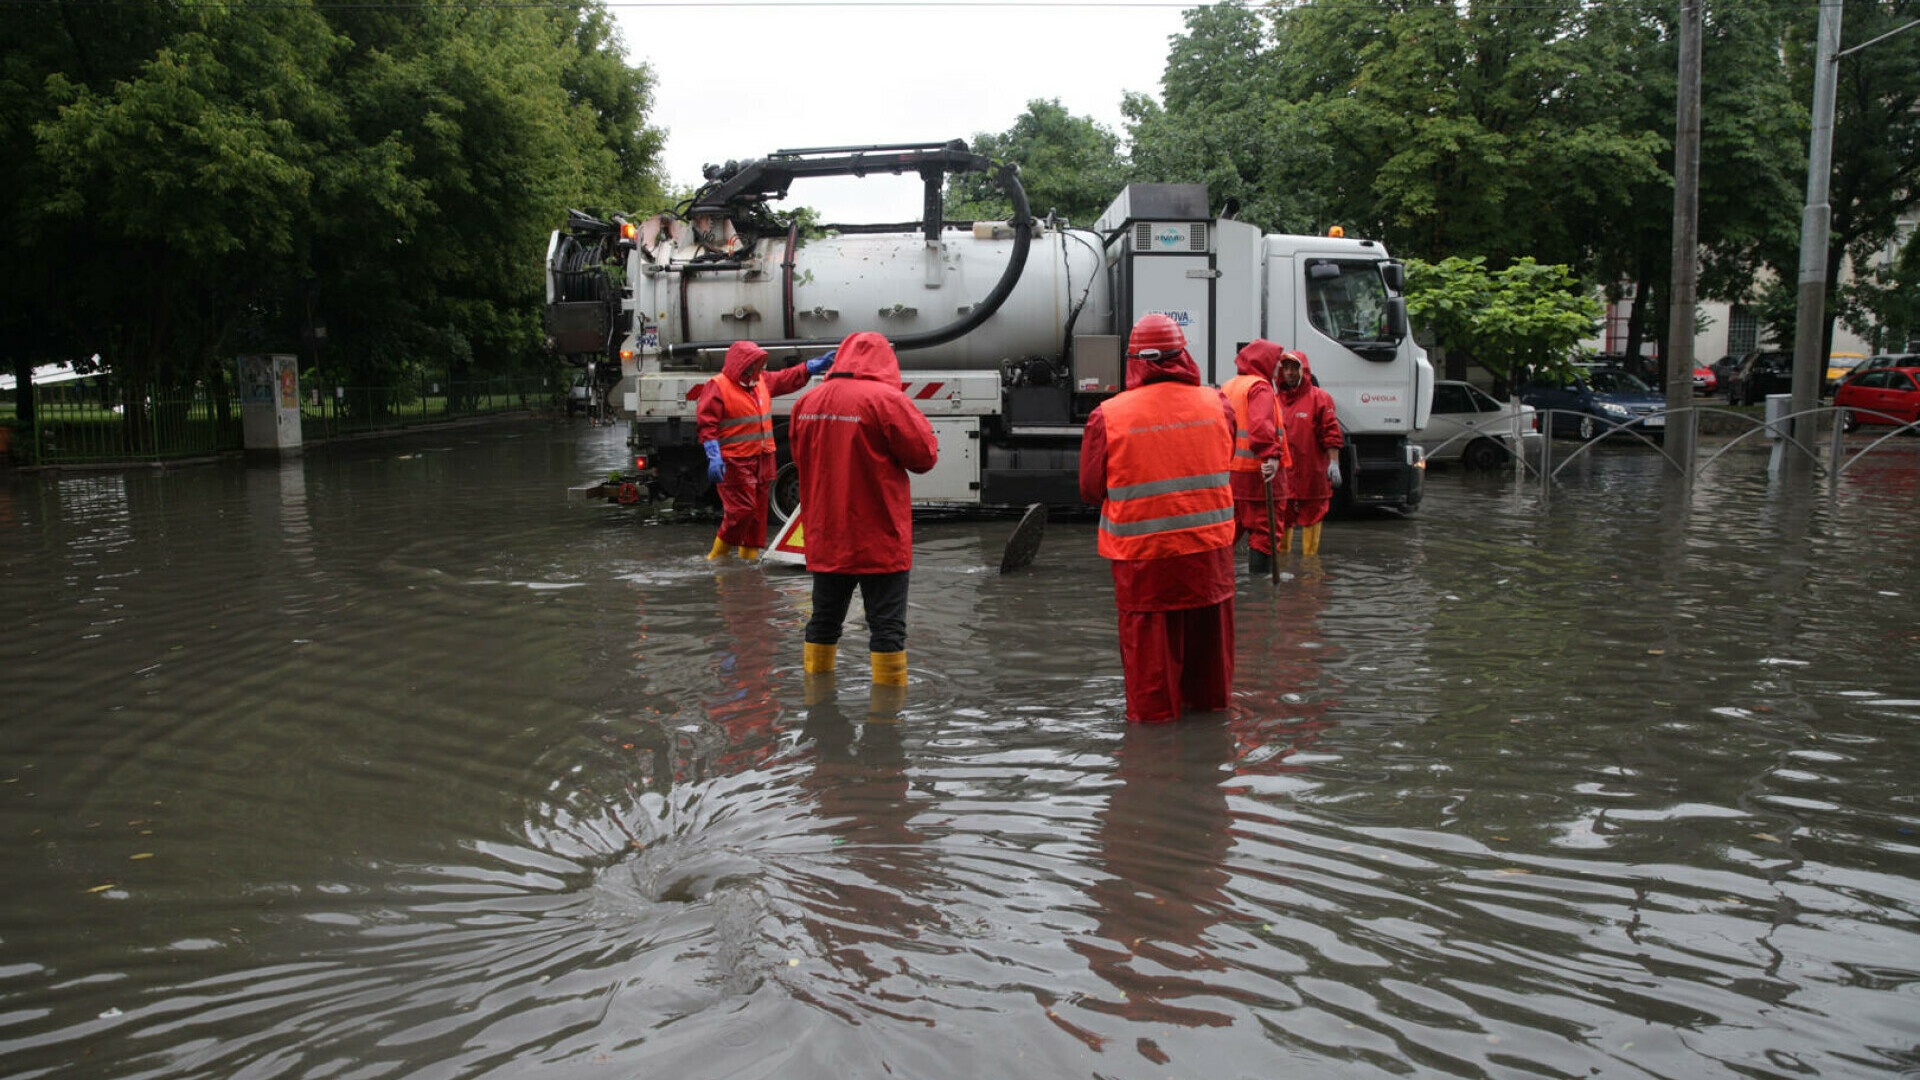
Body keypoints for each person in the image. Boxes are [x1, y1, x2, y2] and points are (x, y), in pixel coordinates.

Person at [1078, 313, 1237, 724]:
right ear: (1183, 356)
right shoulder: (1218, 404)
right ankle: (1211, 766)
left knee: (1152, 690)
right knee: (1210, 686)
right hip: (1210, 559)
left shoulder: (1108, 416)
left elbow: (1091, 490)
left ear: (1135, 361)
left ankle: (1153, 767)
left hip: (1144, 563)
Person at [789, 331, 939, 685]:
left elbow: (801, 459)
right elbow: (923, 458)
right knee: (887, 628)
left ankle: (817, 706)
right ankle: (886, 722)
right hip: (879, 536)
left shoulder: (806, 402)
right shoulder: (887, 400)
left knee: (824, 621)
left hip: (826, 535)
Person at [696, 340, 834, 560]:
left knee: (758, 516)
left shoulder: (760, 381)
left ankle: (748, 563)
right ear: (742, 365)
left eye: (760, 364)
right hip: (735, 460)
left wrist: (809, 367)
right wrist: (713, 455)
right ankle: (716, 558)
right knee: (742, 511)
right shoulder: (718, 386)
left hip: (763, 458)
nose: (759, 369)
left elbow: (785, 378)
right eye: (755, 364)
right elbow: (707, 424)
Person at [1221, 339, 1291, 577]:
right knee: (1265, 532)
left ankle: (1213, 575)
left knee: (1229, 530)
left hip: (1232, 474)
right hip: (1258, 474)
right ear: (1264, 362)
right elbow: (1260, 426)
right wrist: (1271, 456)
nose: (1277, 370)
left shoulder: (1229, 385)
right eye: (1275, 364)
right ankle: (1260, 590)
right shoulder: (1260, 387)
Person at [1275, 348, 1343, 557]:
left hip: (1312, 471)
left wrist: (1334, 463)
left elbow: (1330, 433)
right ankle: (1283, 563)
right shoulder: (1274, 400)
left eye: (1294, 367)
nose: (1289, 372)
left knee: (1313, 514)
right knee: (1283, 515)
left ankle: (1310, 566)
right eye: (1285, 368)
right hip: (1285, 472)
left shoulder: (1320, 399)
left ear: (1303, 371)